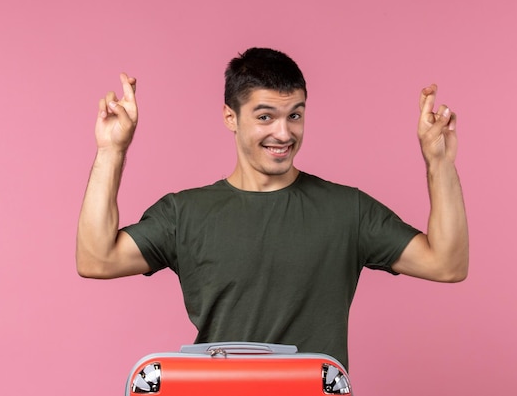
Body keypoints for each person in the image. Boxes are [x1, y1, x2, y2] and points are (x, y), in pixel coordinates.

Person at [76, 47, 468, 369]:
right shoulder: (185, 213)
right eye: (265, 117)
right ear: (231, 117)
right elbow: (97, 260)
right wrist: (112, 150)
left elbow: (446, 264)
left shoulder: (348, 210)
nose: (284, 133)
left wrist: (439, 163)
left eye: (294, 115)